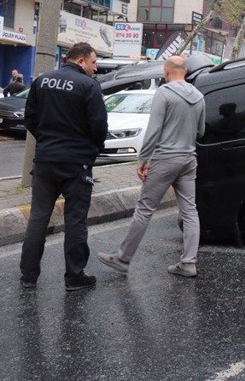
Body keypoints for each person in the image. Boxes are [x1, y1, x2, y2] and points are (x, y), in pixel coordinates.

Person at [97, 56, 205, 278]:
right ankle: (189, 262)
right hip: (188, 159)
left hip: (165, 158)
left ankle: (122, 258)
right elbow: (201, 132)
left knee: (144, 209)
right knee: (190, 211)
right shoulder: (199, 96)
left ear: (166, 70)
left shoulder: (164, 93)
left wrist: (143, 159)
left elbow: (154, 130)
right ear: (184, 71)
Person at [20, 43, 108, 291]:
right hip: (76, 163)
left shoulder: (42, 81)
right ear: (80, 61)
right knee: (76, 220)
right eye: (93, 62)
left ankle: (28, 276)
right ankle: (74, 276)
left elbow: (30, 118)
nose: (95, 67)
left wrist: (47, 141)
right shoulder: (89, 86)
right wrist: (92, 150)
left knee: (38, 218)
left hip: (46, 161)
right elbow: (99, 125)